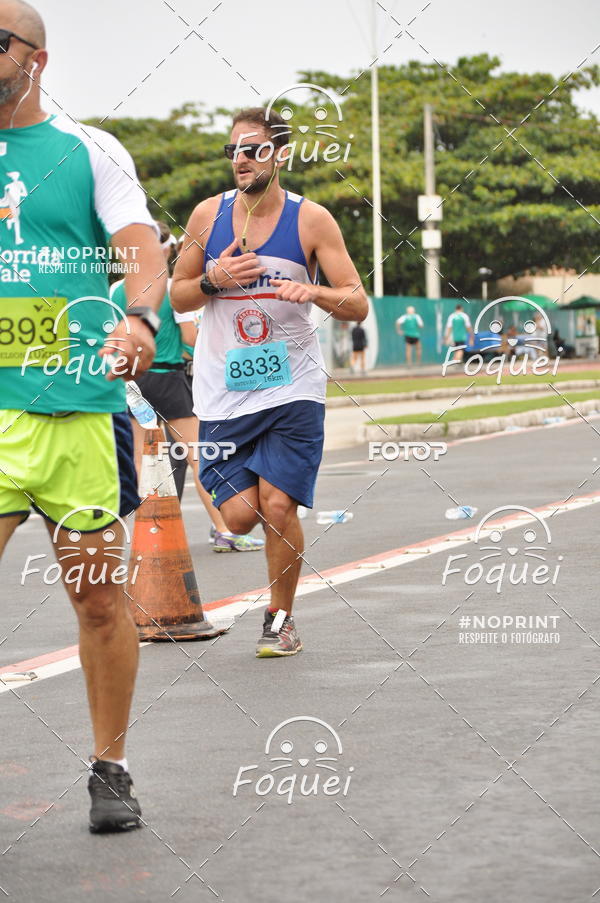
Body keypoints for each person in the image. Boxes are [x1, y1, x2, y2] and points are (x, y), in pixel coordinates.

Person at [0, 0, 166, 833]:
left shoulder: (88, 150)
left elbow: (139, 245)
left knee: (99, 600)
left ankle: (111, 767)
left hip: (78, 412)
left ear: (36, 59)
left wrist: (140, 319)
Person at [171, 106, 368, 657]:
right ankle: (261, 510)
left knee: (279, 506)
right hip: (224, 391)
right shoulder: (207, 216)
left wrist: (315, 292)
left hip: (292, 386)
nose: (241, 159)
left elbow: (357, 303)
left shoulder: (311, 220)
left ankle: (280, 620)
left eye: (254, 149)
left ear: (280, 154)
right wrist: (212, 279)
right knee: (238, 517)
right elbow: (178, 294)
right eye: (233, 150)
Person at [112, 222, 264, 553]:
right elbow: (190, 338)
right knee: (198, 456)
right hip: (169, 379)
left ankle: (143, 537)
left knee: (139, 461)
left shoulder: (115, 290)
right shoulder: (169, 289)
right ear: (165, 250)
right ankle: (224, 529)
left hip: (133, 380)